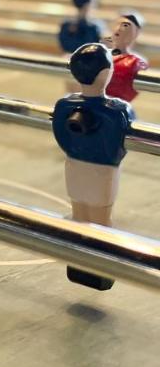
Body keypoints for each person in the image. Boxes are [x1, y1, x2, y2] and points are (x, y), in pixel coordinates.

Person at [52, 43, 136, 291]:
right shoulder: (117, 111)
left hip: (74, 166)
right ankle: (100, 267)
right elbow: (119, 144)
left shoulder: (64, 106)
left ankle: (79, 262)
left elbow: (61, 137)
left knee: (79, 214)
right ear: (105, 74)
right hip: (102, 171)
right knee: (101, 219)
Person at [106, 12, 148, 103]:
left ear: (136, 33)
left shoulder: (136, 63)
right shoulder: (101, 54)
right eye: (117, 24)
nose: (119, 29)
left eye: (126, 26)